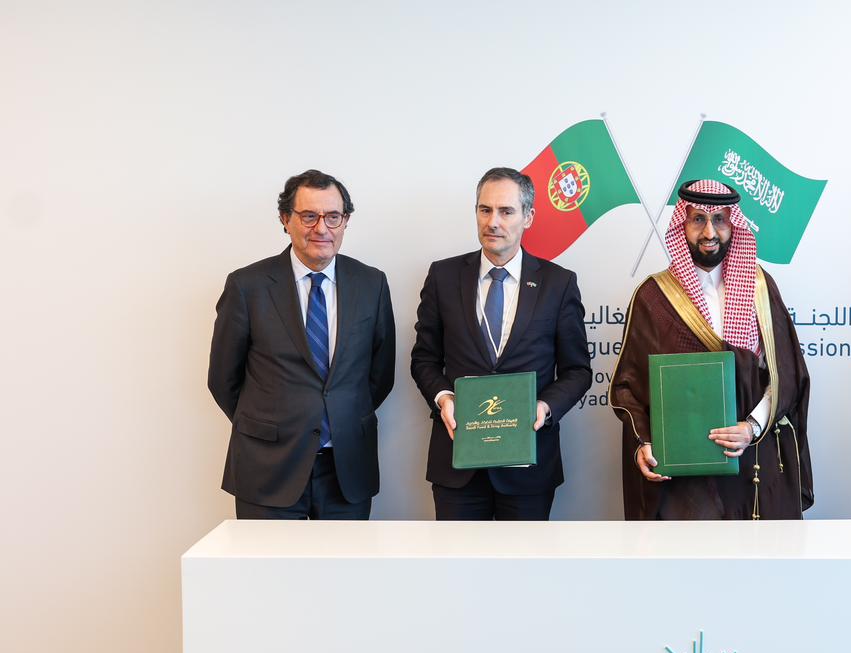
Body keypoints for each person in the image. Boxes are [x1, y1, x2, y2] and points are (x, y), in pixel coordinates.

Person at [609, 180, 812, 520]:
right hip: (684, 474)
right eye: (698, 219)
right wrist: (644, 442)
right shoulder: (654, 297)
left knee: (757, 554)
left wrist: (752, 426)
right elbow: (628, 387)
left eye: (719, 219)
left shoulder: (760, 289)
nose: (709, 232)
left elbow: (786, 373)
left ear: (733, 224)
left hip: (753, 461)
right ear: (682, 224)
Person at [208, 169, 395, 519]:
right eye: (309, 216)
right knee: (268, 559)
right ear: (285, 219)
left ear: (345, 221)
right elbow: (222, 378)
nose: (321, 228)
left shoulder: (372, 284)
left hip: (346, 467)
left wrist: (339, 414)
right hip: (268, 466)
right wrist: (275, 425)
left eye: (333, 216)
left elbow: (380, 375)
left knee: (345, 559)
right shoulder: (247, 286)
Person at [410, 167, 590, 520]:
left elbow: (577, 370)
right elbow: (424, 359)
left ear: (528, 217)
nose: (493, 222)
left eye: (506, 211)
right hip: (457, 463)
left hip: (528, 466)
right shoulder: (443, 276)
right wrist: (444, 398)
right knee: (457, 558)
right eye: (485, 210)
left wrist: (544, 407)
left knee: (525, 558)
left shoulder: (558, 283)